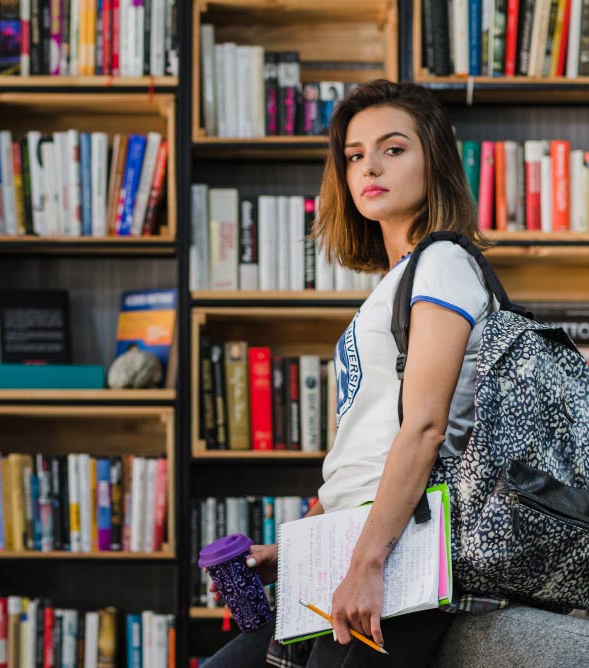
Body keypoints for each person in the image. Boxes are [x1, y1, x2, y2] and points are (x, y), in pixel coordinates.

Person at [202, 79, 505, 668]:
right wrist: (291, 552)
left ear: (433, 162)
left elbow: (424, 428)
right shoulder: (396, 284)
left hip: (397, 551)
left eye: (394, 149)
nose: (371, 166)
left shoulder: (442, 263)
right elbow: (363, 445)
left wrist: (366, 564)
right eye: (355, 155)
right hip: (350, 543)